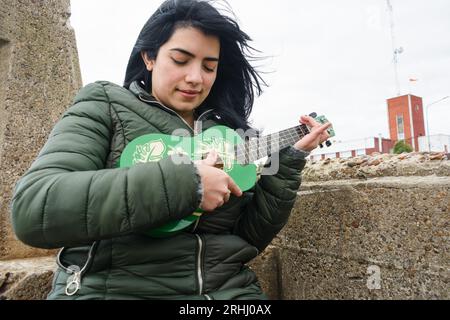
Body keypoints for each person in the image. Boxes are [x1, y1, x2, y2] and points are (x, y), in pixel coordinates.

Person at [10, 0, 331, 300]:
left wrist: (289, 160)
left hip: (231, 294)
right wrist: (185, 185)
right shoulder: (105, 104)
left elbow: (246, 240)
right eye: (180, 60)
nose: (195, 78)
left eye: (209, 66)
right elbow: (34, 208)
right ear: (149, 57)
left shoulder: (226, 134)